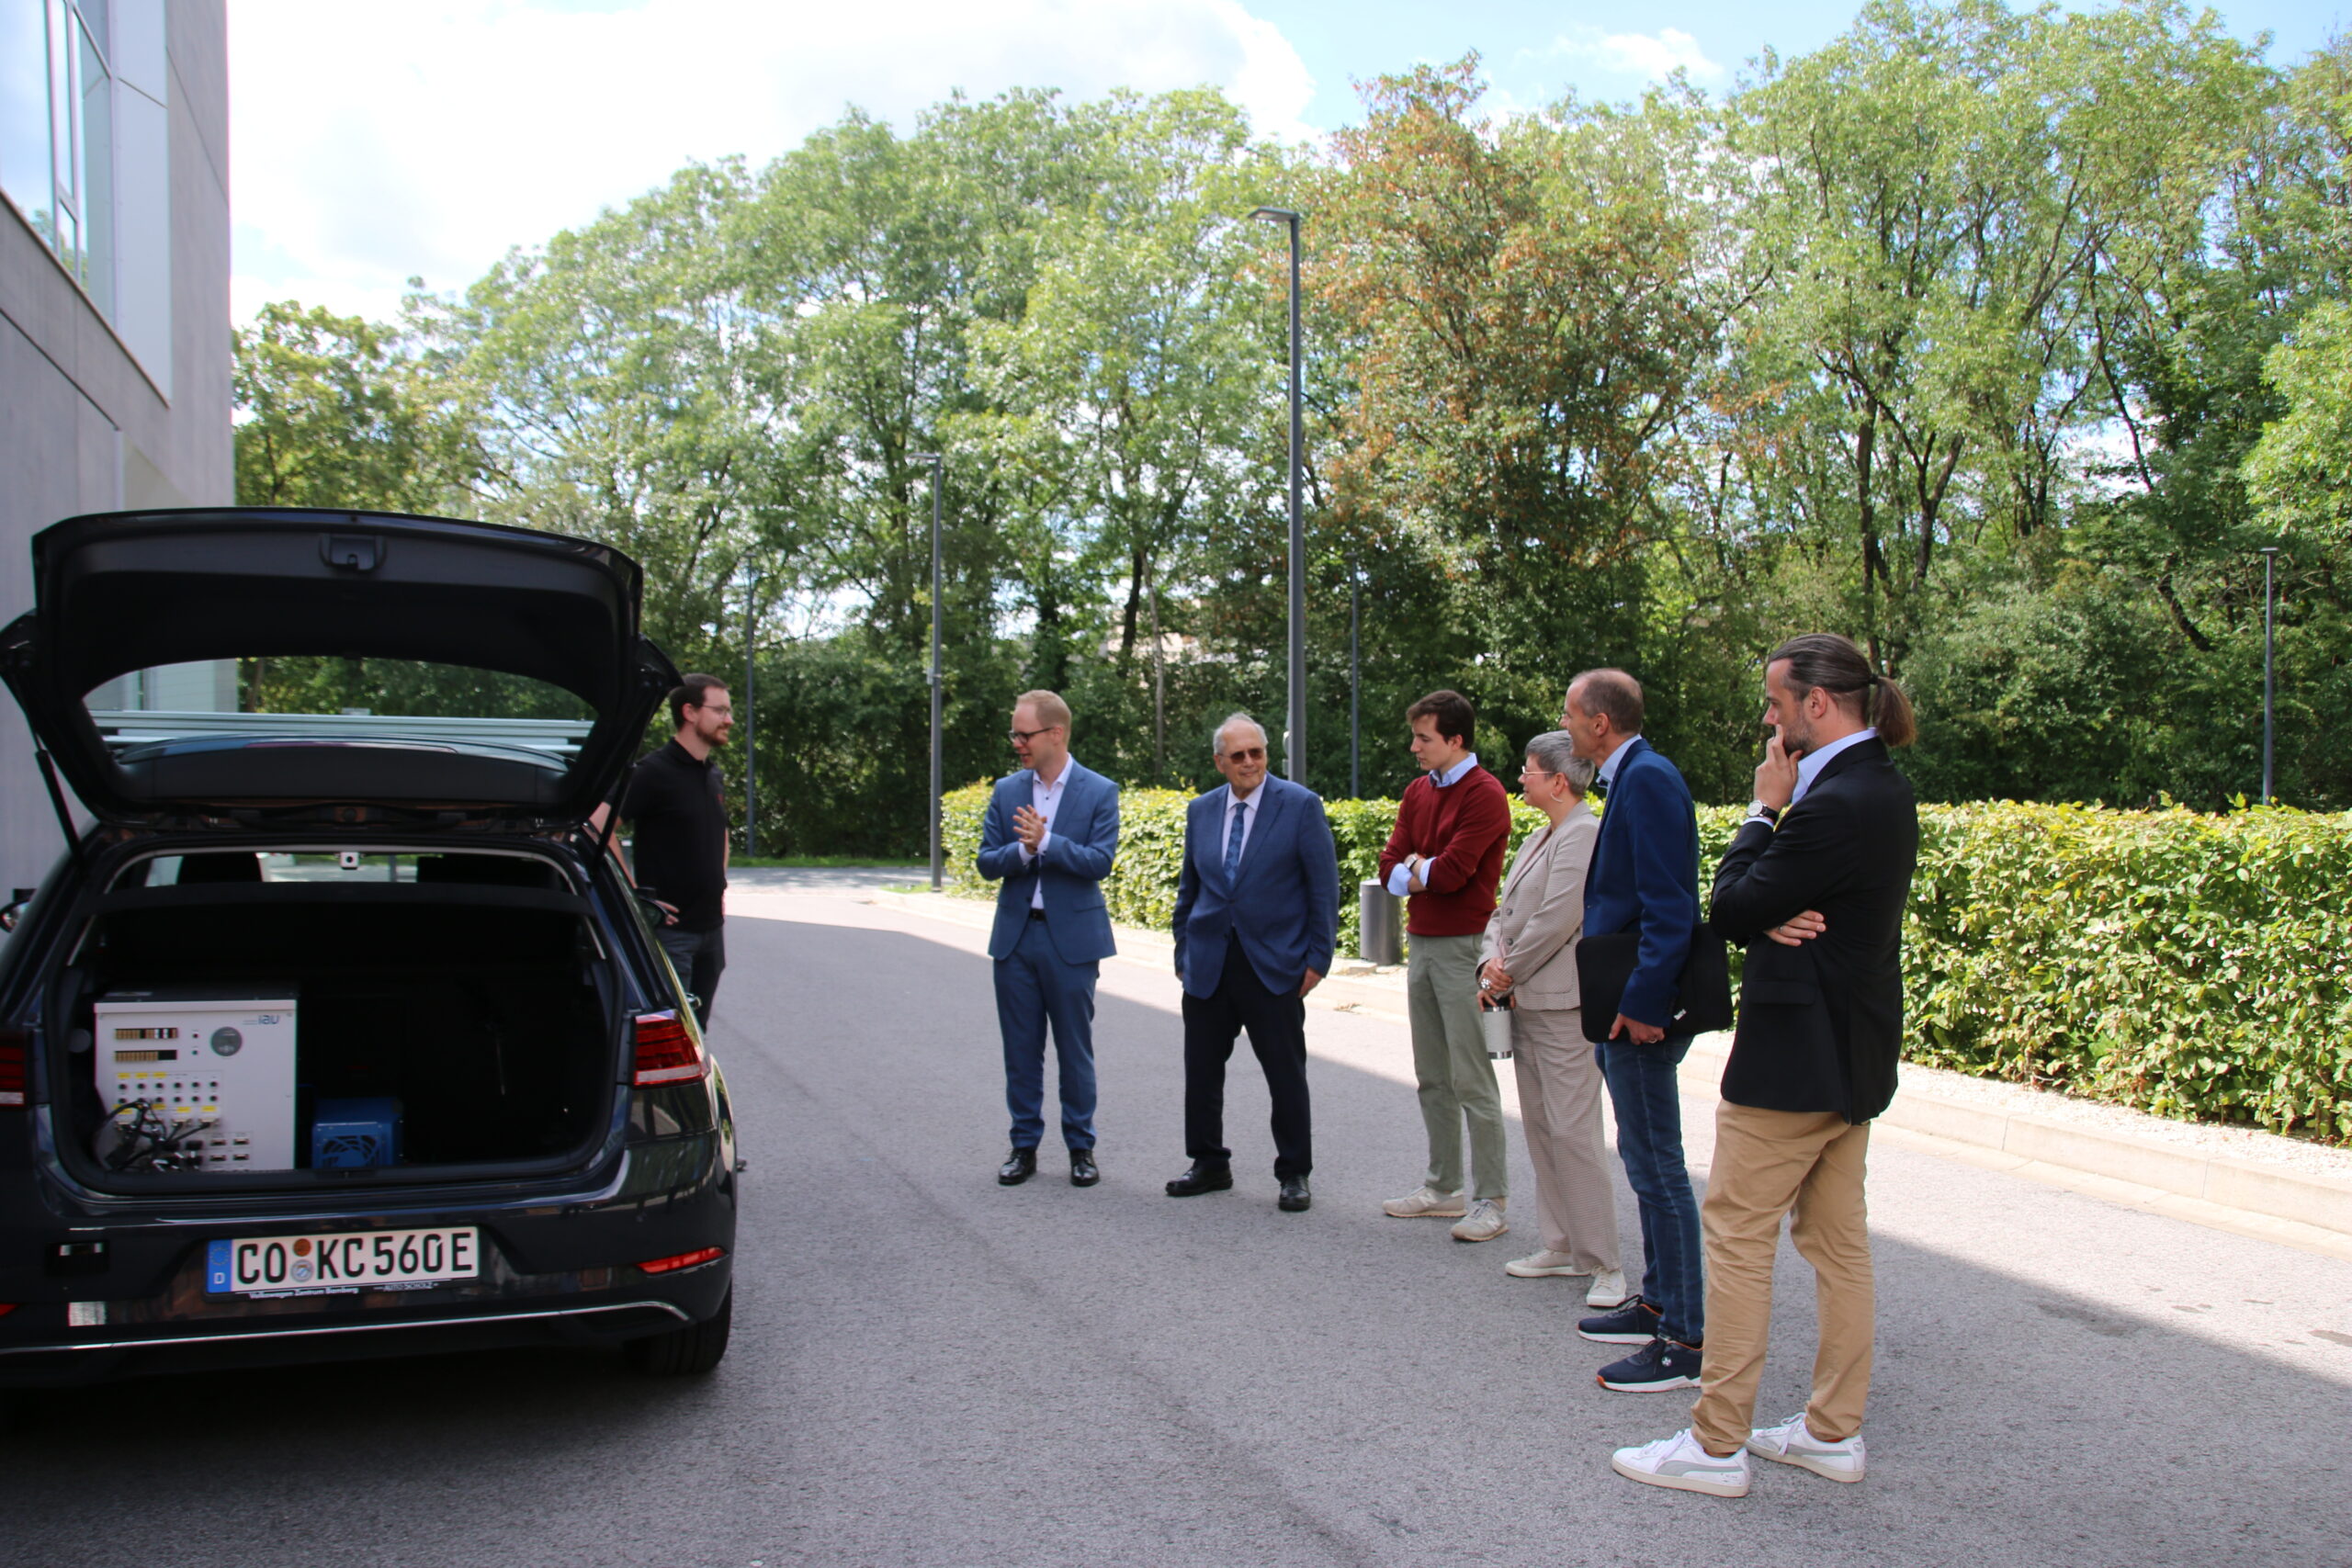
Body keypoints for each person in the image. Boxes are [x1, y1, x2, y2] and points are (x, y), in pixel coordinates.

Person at [1611, 634, 1919, 1499]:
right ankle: (1830, 1432)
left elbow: (1735, 904)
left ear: (1817, 704)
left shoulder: (1828, 801)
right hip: (1851, 1057)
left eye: (1776, 703)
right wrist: (1772, 901)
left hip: (1794, 1061)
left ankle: (1715, 1446)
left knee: (1739, 1235)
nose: (1769, 718)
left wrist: (1763, 813)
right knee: (1836, 1242)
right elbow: (1765, 908)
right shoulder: (1882, 789)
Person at [1561, 667, 1706, 1393]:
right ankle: (1657, 1303)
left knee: (1658, 1167)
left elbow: (1669, 905)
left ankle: (1685, 1338)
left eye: (1570, 715)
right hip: (1624, 998)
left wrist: (1646, 1002)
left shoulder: (1646, 778)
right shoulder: (1636, 776)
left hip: (1638, 1008)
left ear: (1599, 723)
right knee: (1646, 1161)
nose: (1565, 727)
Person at [1166, 714, 1340, 1213]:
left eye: (1256, 753)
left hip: (1275, 964)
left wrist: (1317, 960)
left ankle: (1294, 1173)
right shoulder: (1201, 810)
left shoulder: (1300, 806)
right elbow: (1189, 887)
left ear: (1267, 754)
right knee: (1201, 1071)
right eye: (1237, 756)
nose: (1249, 763)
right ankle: (1208, 1163)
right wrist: (1183, 949)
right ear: (1219, 762)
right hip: (1207, 962)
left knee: (1285, 1073)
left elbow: (1322, 890)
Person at [1480, 731, 1626, 1309]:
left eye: (1529, 771)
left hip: (1563, 1005)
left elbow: (1558, 917)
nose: (1521, 778)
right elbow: (1504, 911)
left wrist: (1505, 970)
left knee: (1574, 1131)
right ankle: (1563, 1244)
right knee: (1542, 1126)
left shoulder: (1584, 834)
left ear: (1558, 781)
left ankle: (1606, 1261)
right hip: (1526, 1001)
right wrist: (1491, 960)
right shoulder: (1541, 835)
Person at [1374, 690, 1515, 1242]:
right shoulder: (1416, 791)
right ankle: (1442, 1186)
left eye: (1424, 738)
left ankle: (1491, 1199)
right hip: (1423, 940)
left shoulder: (1485, 795)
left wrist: (1417, 868)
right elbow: (1389, 865)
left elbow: (1455, 873)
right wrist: (1416, 868)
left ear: (1455, 740)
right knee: (1432, 1074)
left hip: (1464, 945)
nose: (1414, 747)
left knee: (1471, 1078)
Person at [975, 690, 1122, 1189]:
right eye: (1015, 733)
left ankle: (1082, 1148)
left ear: (1054, 734)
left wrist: (1049, 844)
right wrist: (1021, 850)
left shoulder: (1100, 791)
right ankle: (1023, 1147)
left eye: (1024, 733)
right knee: (1020, 1049)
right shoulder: (1006, 790)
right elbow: (985, 860)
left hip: (1072, 942)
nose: (1016, 742)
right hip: (1015, 940)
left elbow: (1100, 861)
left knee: (1074, 1049)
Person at [600, 674, 732, 1030]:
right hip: (673, 934)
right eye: (720, 710)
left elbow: (720, 831)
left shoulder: (712, 774)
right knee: (673, 1035)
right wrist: (633, 896)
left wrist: (719, 884)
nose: (729, 719)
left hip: (710, 930)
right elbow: (600, 823)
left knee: (697, 1032)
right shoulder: (654, 772)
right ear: (689, 711)